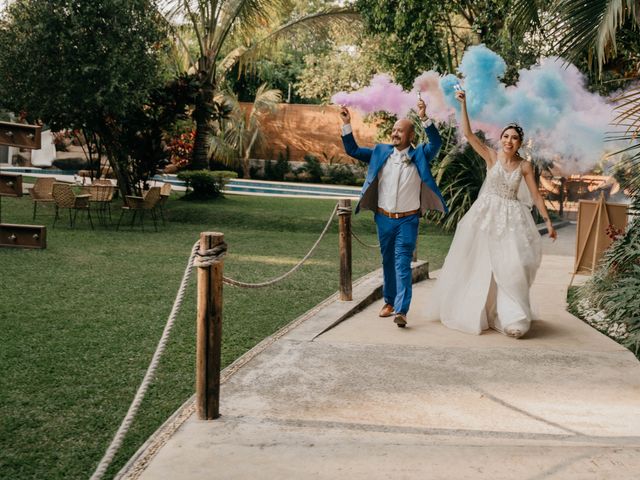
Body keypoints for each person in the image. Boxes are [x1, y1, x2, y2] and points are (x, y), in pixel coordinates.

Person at [426, 89, 557, 338]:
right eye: (506, 136)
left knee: (512, 266)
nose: (509, 141)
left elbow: (537, 196)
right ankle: (479, 310)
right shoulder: (491, 155)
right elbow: (467, 133)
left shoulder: (525, 166)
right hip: (485, 216)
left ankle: (512, 317)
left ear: (520, 142)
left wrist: (549, 222)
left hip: (512, 219)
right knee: (480, 264)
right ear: (501, 139)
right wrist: (463, 104)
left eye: (515, 138)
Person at [340, 98, 447, 328]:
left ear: (411, 137)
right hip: (383, 218)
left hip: (408, 220)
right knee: (387, 261)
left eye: (401, 130)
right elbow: (352, 149)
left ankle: (401, 310)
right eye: (394, 129)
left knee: (402, 263)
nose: (395, 133)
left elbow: (436, 143)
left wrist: (424, 117)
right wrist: (347, 123)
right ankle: (388, 302)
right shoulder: (380, 151)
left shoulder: (420, 155)